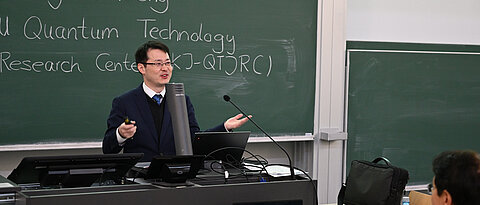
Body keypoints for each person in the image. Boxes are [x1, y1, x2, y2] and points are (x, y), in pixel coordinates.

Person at [103, 41, 250, 161]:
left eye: (168, 63)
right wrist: (120, 134)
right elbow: (108, 149)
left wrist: (224, 127)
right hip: (139, 179)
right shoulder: (124, 102)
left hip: (176, 176)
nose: (165, 68)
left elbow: (193, 140)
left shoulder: (182, 101)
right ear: (142, 67)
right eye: (158, 64)